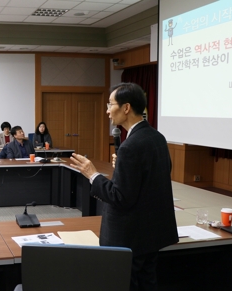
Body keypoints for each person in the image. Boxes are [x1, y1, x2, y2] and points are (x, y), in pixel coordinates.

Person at [69, 83, 178, 291]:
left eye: (110, 104)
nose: (107, 111)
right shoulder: (157, 137)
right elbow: (154, 178)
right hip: (152, 234)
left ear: (126, 108)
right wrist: (124, 168)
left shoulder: (130, 146)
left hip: (130, 237)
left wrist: (93, 174)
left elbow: (120, 197)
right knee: (148, 283)